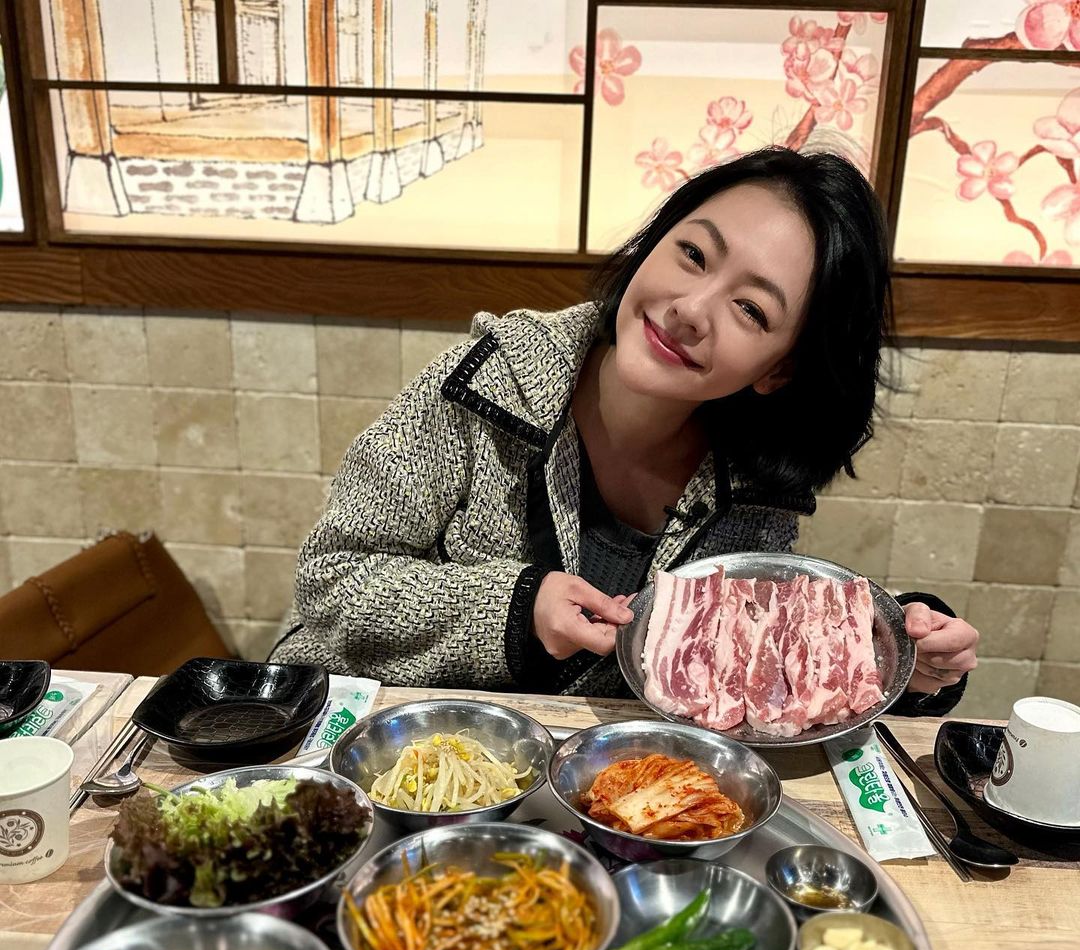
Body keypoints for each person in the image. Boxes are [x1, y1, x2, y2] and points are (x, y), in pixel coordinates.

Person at [273, 148, 978, 712]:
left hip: (588, 796)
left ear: (779, 370)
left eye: (751, 310)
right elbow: (332, 580)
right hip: (368, 750)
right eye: (693, 255)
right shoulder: (485, 385)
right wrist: (516, 609)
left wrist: (898, 654)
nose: (690, 309)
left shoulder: (753, 486)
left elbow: (744, 666)